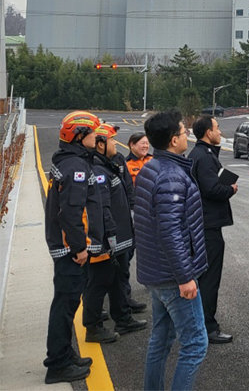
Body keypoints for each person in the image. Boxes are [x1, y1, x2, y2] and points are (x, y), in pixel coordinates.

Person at [134, 110, 208, 391]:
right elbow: (170, 231)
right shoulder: (170, 177)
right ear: (172, 139)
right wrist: (185, 277)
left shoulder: (153, 167)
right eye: (182, 130)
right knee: (195, 345)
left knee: (161, 339)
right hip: (172, 275)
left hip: (157, 271)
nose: (186, 133)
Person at [43, 110, 103, 385]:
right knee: (65, 307)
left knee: (66, 304)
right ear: (79, 136)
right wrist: (79, 247)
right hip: (71, 250)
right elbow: (71, 211)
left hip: (66, 247)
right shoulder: (76, 167)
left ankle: (65, 355)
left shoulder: (69, 161)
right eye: (92, 133)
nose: (96, 136)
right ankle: (57, 364)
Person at [83, 123, 148, 342]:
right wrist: (110, 237)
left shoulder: (110, 164)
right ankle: (93, 326)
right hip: (110, 238)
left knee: (118, 278)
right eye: (111, 140)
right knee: (100, 281)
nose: (115, 144)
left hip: (119, 236)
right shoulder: (99, 171)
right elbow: (103, 209)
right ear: (100, 145)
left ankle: (123, 317)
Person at [188, 115, 237, 344]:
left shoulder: (201, 154)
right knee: (209, 278)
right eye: (217, 129)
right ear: (208, 132)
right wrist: (231, 188)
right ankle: (208, 327)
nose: (220, 133)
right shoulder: (204, 157)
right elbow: (212, 189)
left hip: (203, 223)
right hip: (208, 225)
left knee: (203, 276)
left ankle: (200, 323)